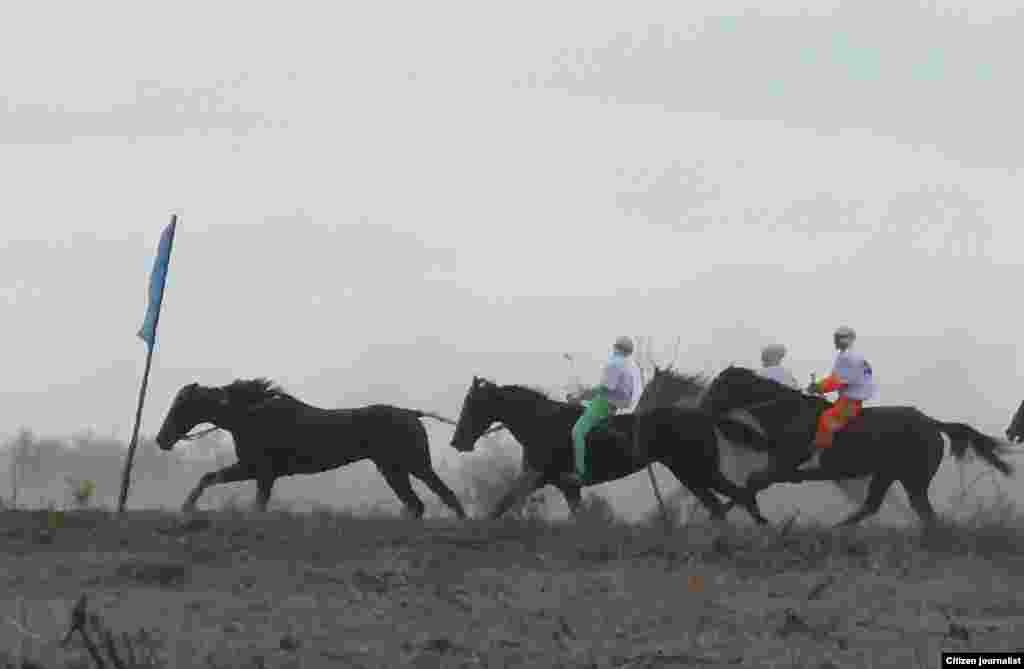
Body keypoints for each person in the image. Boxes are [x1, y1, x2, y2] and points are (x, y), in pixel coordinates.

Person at [562, 336, 642, 486]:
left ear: (617, 348)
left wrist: (579, 397)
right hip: (610, 405)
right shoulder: (627, 366)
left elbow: (604, 389)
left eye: (615, 347)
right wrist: (582, 398)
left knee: (577, 432)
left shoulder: (614, 364)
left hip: (604, 404)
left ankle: (580, 473)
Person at [801, 325, 876, 469]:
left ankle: (817, 459)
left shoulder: (849, 357)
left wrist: (818, 387)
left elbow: (838, 380)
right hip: (846, 398)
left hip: (851, 401)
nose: (838, 340)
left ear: (851, 339)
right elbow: (835, 378)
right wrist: (819, 385)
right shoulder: (846, 356)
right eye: (837, 337)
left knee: (827, 418)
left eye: (842, 337)